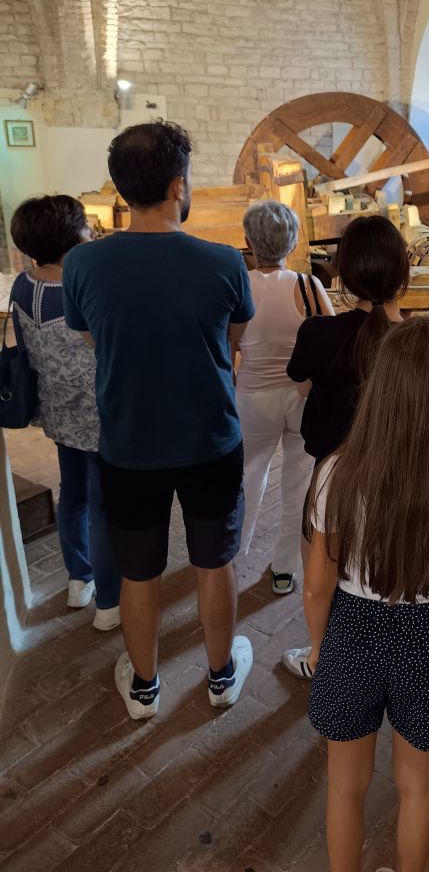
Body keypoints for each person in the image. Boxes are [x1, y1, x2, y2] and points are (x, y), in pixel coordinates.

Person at [63, 120, 255, 720]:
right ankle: (222, 677)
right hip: (210, 438)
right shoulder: (225, 262)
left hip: (128, 442)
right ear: (178, 185)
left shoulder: (82, 265)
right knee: (215, 561)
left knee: (139, 572)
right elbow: (233, 342)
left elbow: (95, 341)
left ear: (122, 189)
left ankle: (144, 688)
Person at [304, 317, 429, 872]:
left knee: (345, 786)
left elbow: (316, 584)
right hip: (427, 635)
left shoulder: (336, 473)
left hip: (352, 630)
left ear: (380, 385)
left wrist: (319, 645)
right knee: (417, 786)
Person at [281, 213, 409, 679]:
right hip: (401, 478)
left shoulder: (318, 332)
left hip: (331, 476)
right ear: (403, 272)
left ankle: (323, 656)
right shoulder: (421, 341)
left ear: (343, 274)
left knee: (321, 571)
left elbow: (302, 388)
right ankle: (386, 654)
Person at [9, 195, 122, 629]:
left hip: (55, 410)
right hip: (99, 413)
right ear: (72, 237)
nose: (91, 232)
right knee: (103, 505)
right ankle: (109, 602)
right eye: (85, 226)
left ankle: (79, 578)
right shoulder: (87, 286)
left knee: (72, 493)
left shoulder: (22, 286)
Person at [236, 200, 332, 595]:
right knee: (298, 482)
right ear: (292, 243)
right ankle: (284, 568)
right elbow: (328, 339)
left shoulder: (239, 285)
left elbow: (228, 343)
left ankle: (231, 559)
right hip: (302, 395)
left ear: (248, 243)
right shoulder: (309, 286)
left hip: (253, 396)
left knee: (246, 477)